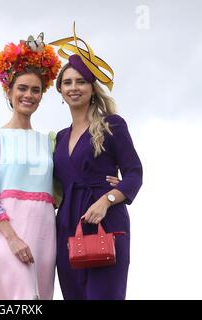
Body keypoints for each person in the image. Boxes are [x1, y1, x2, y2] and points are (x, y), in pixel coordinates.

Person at [50, 23, 143, 300]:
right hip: (67, 227)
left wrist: (108, 199)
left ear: (92, 87)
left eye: (80, 81)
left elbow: (134, 173)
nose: (73, 88)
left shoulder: (112, 124)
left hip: (107, 223)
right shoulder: (60, 138)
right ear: (60, 90)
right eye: (67, 82)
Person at [0, 34, 62, 299]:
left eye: (35, 90)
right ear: (8, 92)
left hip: (45, 235)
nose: (28, 95)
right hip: (8, 233)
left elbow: (66, 185)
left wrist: (108, 182)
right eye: (22, 88)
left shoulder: (49, 142)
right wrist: (12, 238)